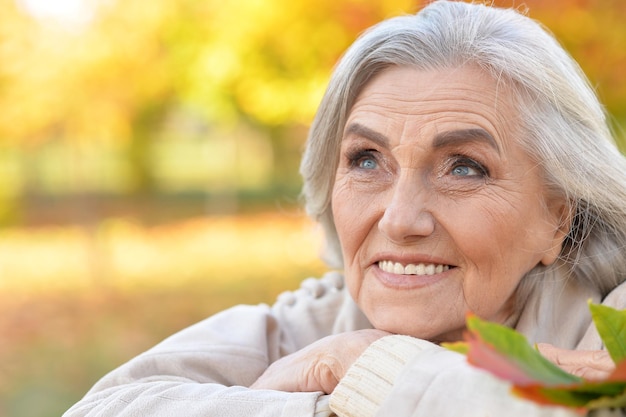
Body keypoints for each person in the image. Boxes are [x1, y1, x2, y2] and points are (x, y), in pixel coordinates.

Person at [64, 1, 626, 416]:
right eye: (365, 160)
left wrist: (364, 371)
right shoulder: (311, 326)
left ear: (559, 218)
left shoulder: (614, 323)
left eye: (464, 166)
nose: (400, 219)